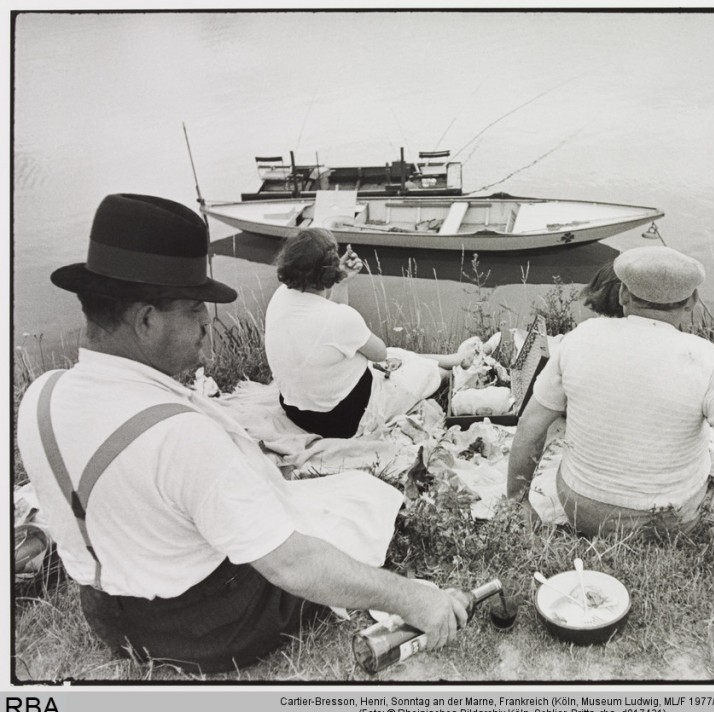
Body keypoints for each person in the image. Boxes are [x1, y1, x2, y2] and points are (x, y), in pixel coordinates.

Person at [16, 194, 468, 673]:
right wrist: (414, 599)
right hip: (205, 626)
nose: (207, 328)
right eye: (195, 310)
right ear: (146, 320)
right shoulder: (181, 436)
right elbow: (290, 565)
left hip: (105, 615)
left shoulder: (42, 395)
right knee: (353, 508)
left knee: (326, 502)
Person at [507, 246, 714, 543]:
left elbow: (530, 425)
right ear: (692, 301)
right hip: (669, 522)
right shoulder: (711, 360)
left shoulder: (580, 338)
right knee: (713, 454)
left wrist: (517, 501)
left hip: (581, 509)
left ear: (623, 296)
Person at [264, 227, 468, 439]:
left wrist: (341, 281)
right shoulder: (339, 319)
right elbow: (379, 354)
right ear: (329, 271)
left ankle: (457, 358)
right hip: (342, 419)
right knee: (425, 372)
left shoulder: (281, 297)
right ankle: (458, 368)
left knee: (395, 353)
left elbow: (330, 324)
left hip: (298, 412)